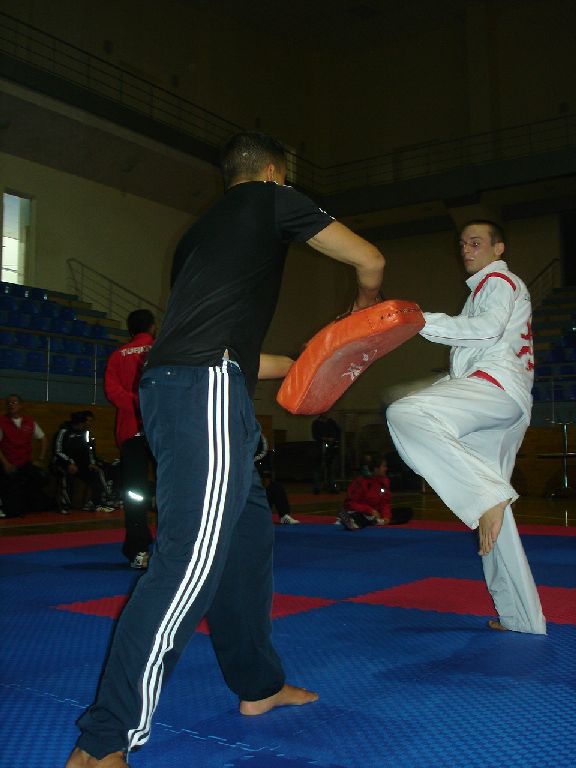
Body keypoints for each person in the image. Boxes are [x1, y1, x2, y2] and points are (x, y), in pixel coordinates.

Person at [66, 131, 385, 767]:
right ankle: (103, 743)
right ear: (274, 173)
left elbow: (243, 352)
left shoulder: (199, 236)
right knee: (188, 565)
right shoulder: (269, 199)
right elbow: (368, 259)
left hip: (195, 385)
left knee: (247, 538)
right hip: (202, 389)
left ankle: (258, 685)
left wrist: (316, 360)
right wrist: (364, 312)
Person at [386, 220, 545, 635]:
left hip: (494, 392)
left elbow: (485, 330)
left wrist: (418, 319)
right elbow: (478, 348)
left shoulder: (498, 282)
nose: (467, 250)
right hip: (506, 402)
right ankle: (522, 619)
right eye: (463, 244)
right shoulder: (485, 292)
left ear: (499, 248)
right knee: (494, 521)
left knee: (406, 415)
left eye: (476, 242)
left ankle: (487, 496)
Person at [104, 309, 156, 569]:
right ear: (152, 327)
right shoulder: (161, 350)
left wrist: (135, 404)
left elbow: (111, 390)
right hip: (161, 429)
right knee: (171, 489)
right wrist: (147, 404)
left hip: (130, 430)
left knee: (135, 493)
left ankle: (138, 551)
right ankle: (177, 550)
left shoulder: (117, 355)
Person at [52, 411, 114, 514]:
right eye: (83, 423)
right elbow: (58, 451)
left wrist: (91, 462)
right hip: (62, 462)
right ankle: (64, 504)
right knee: (65, 474)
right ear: (78, 423)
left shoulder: (86, 433)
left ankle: (96, 502)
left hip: (80, 464)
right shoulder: (63, 432)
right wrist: (69, 463)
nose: (85, 425)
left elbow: (90, 450)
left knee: (97, 473)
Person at [0, 394, 47, 518]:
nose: (11, 405)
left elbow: (43, 438)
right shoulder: (2, 422)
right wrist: (5, 463)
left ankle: (32, 504)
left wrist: (40, 458)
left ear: (21, 405)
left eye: (14, 402)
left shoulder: (29, 422)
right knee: (11, 485)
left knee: (41, 476)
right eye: (9, 403)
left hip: (25, 462)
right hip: (8, 462)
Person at [338, 454, 413, 530]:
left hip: (376, 513)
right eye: (384, 466)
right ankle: (357, 520)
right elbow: (350, 503)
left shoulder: (384, 481)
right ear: (376, 469)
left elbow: (385, 503)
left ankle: (370, 522)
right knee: (359, 515)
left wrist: (386, 516)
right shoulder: (361, 481)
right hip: (362, 511)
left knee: (406, 512)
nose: (386, 469)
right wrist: (369, 510)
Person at [255, 430, 300, 525]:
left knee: (276, 487)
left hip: (256, 496)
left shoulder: (258, 436)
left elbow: (263, 450)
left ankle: (284, 516)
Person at [311, 412, 341, 493]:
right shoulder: (316, 423)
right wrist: (324, 438)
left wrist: (333, 438)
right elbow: (315, 435)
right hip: (319, 447)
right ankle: (317, 487)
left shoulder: (331, 422)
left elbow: (338, 432)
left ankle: (331, 487)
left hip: (330, 448)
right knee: (318, 468)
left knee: (330, 468)